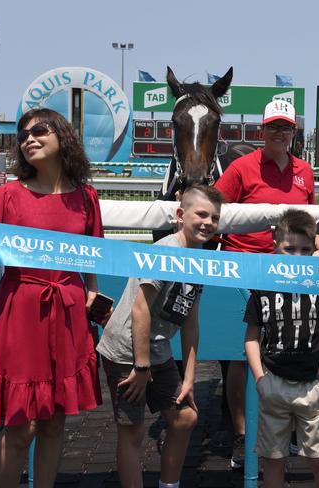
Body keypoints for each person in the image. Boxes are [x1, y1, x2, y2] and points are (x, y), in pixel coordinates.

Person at [0, 108, 104, 487]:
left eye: (39, 130)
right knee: (21, 428)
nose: (29, 139)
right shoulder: (7, 195)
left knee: (53, 424)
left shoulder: (87, 197)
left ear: (63, 137)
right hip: (20, 312)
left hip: (69, 311)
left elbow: (93, 255)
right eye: (23, 135)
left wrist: (93, 291)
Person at [96, 185, 223, 488]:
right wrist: (141, 368)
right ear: (181, 215)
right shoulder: (166, 251)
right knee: (133, 432)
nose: (207, 222)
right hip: (127, 351)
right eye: (201, 214)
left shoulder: (201, 256)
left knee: (185, 419)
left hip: (157, 349)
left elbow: (190, 321)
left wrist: (190, 377)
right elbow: (141, 309)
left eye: (214, 218)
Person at [214, 99, 315, 468]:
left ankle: (284, 428)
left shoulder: (305, 170)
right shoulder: (241, 168)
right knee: (240, 355)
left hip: (290, 272)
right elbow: (213, 208)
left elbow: (309, 223)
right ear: (261, 130)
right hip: (243, 271)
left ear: (293, 132)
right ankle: (243, 434)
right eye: (273, 126)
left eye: (285, 127)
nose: (278, 133)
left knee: (288, 347)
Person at [244, 209, 319, 488]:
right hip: (273, 380)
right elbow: (251, 337)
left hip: (312, 384)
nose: (298, 257)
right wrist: (260, 378)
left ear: (315, 249)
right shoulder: (262, 287)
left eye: (305, 250)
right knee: (273, 459)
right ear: (275, 247)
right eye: (290, 249)